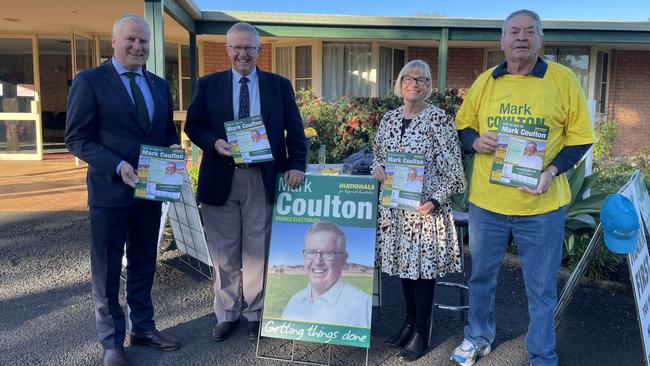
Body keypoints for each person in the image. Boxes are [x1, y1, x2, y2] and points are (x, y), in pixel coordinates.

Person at [451, 9, 594, 366]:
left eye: (530, 31)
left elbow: (580, 139)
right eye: (513, 31)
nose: (521, 37)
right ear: (502, 40)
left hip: (542, 207)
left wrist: (552, 171)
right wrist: (475, 142)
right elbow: (463, 127)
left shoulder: (562, 80)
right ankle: (478, 338)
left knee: (541, 288)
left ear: (540, 40)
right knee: (482, 277)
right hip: (488, 204)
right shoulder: (487, 81)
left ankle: (542, 354)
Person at [65, 14, 181, 366]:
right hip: (110, 193)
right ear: (114, 42)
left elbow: (164, 132)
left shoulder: (159, 85)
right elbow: (77, 138)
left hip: (149, 192)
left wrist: (175, 149)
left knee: (145, 263)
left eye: (143, 41)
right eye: (130, 40)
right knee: (107, 269)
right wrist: (117, 164)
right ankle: (112, 341)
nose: (138, 47)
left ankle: (143, 327)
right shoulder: (90, 81)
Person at [184, 22, 307, 341]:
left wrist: (297, 164)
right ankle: (226, 313)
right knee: (224, 252)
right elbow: (193, 126)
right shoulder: (208, 85)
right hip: (221, 176)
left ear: (258, 50)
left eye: (249, 47)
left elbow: (295, 130)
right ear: (227, 49)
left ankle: (255, 312)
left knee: (257, 249)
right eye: (236, 47)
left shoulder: (278, 85)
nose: (242, 53)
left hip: (261, 178)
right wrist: (213, 143)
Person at [372, 59, 466, 362]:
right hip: (396, 209)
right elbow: (377, 155)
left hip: (425, 210)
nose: (415, 84)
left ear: (429, 86)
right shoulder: (389, 119)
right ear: (400, 83)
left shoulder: (438, 120)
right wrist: (378, 168)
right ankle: (409, 322)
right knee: (403, 268)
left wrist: (435, 201)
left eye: (423, 80)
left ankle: (421, 333)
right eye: (410, 78)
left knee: (422, 272)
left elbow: (455, 172)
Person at [281, 221, 372, 327]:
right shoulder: (294, 301)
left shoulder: (363, 306)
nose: (317, 262)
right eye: (311, 252)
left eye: (327, 253)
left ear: (344, 259)